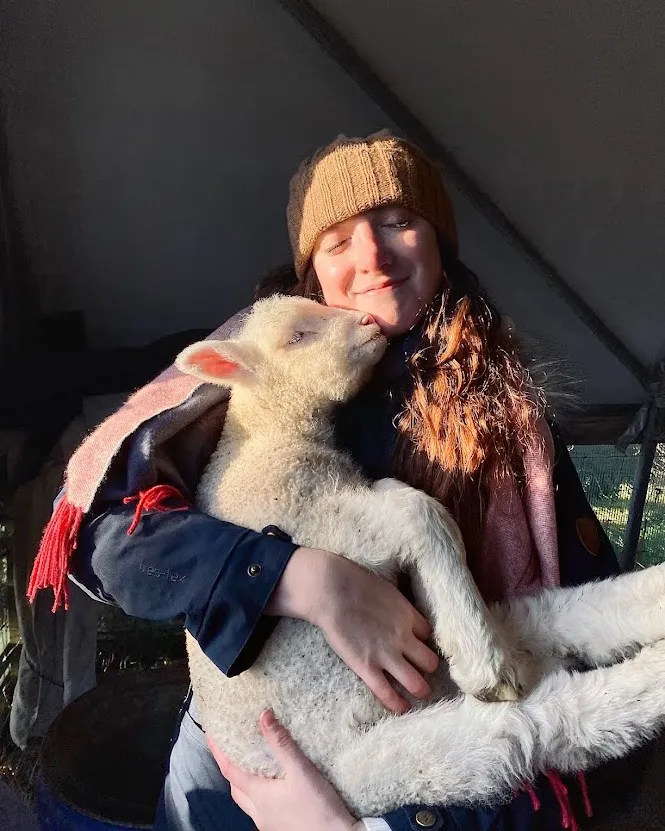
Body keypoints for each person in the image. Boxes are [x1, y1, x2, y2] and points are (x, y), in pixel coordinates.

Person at [29, 131, 635, 831]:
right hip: (236, 763)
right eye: (337, 240)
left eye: (397, 222)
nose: (371, 256)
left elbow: (567, 633)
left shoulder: (507, 418)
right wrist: (298, 578)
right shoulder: (250, 374)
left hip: (414, 775)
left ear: (439, 241)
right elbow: (107, 540)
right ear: (309, 268)